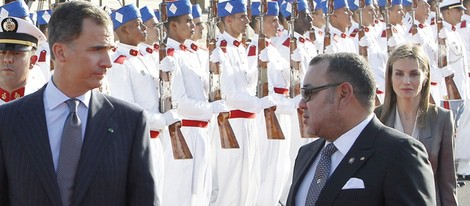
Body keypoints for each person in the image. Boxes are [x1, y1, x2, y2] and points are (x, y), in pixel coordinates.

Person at [0, 1, 158, 205]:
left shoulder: (130, 123)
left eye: (110, 49)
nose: (108, 61)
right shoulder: (7, 121)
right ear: (60, 52)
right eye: (97, 50)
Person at [286, 52, 436, 206]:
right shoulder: (306, 154)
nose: (302, 104)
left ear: (343, 94)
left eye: (308, 93)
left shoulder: (399, 153)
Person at [375, 43, 457, 206]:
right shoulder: (376, 118)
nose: (406, 81)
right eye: (399, 74)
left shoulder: (442, 118)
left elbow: (447, 183)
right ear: (390, 77)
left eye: (414, 74)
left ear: (426, 76)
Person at [0, 16, 46, 105]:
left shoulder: (42, 102)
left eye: (16, 53)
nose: (7, 59)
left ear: (32, 61)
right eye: (2, 52)